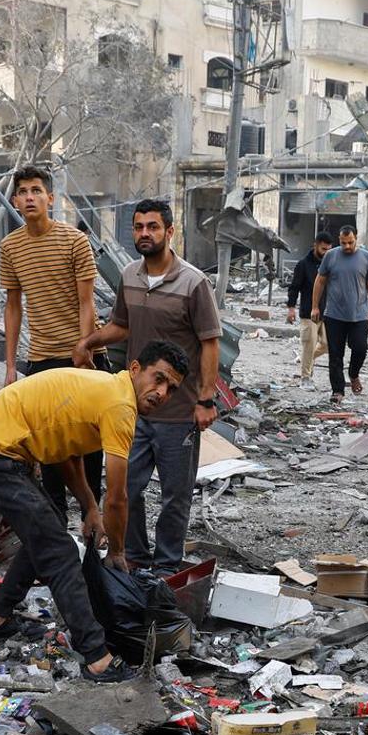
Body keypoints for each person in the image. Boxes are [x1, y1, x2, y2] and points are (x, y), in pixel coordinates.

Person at [0, 340, 187, 684]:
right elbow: (119, 497)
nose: (161, 391)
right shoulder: (120, 405)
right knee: (60, 550)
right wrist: (119, 552)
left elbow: (66, 452)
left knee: (45, 534)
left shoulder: (107, 391)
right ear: (136, 369)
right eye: (158, 378)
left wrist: (89, 508)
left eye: (171, 388)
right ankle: (97, 658)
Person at [75, 199, 222, 576]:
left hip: (178, 411)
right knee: (128, 489)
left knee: (175, 496)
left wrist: (205, 399)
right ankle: (136, 555)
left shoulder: (194, 282)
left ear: (170, 232)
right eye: (139, 227)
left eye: (153, 227)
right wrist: (89, 341)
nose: (144, 233)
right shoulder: (129, 274)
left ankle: (167, 564)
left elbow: (209, 342)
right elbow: (121, 325)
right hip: (133, 409)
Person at [0, 165, 100, 520]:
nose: (29, 197)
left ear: (50, 198)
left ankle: (94, 517)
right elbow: (13, 307)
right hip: (42, 359)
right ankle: (58, 526)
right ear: (15, 200)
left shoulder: (74, 240)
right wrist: (11, 366)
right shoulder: (10, 247)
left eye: (36, 190)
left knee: (90, 446)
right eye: (23, 191)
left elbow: (87, 301)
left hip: (83, 356)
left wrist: (84, 347)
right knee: (51, 449)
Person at [311, 224, 368, 402]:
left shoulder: (366, 257)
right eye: (343, 243)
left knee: (360, 348)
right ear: (339, 240)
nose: (347, 246)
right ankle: (338, 391)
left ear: (356, 238)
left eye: (350, 242)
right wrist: (315, 306)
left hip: (359, 315)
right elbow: (320, 281)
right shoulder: (330, 256)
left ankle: (353, 373)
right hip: (334, 315)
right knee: (335, 354)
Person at [287, 233, 332, 388]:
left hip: (326, 313)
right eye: (323, 248)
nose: (326, 252)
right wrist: (291, 308)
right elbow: (294, 288)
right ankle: (305, 377)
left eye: (328, 249)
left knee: (327, 344)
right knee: (309, 343)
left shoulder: (329, 265)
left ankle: (306, 358)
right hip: (308, 313)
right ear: (316, 245)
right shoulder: (303, 265)